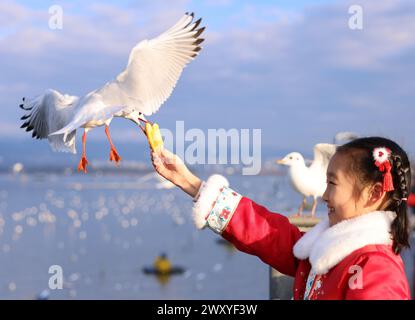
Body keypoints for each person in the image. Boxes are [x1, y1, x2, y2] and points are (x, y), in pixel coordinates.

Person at [150, 137, 412, 300]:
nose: (324, 195)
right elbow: (268, 233)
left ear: (374, 193)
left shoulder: (376, 269)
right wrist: (191, 183)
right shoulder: (324, 251)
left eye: (332, 183)